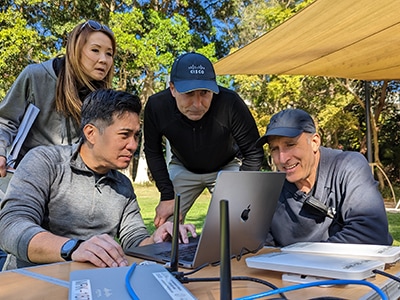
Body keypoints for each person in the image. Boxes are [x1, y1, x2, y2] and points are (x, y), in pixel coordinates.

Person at [0, 89, 196, 270]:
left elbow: (134, 240)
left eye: (136, 136)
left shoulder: (123, 186)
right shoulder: (45, 162)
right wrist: (73, 248)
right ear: (91, 133)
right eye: (124, 135)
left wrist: (157, 239)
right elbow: (10, 226)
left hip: (93, 286)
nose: (133, 145)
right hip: (32, 282)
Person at [0, 19, 116, 271]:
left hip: (67, 192)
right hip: (25, 180)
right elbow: (5, 119)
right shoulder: (35, 76)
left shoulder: (100, 96)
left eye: (109, 53)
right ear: (76, 50)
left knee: (65, 257)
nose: (104, 60)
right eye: (95, 50)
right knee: (16, 247)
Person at [144, 52, 264, 227]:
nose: (197, 104)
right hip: (183, 168)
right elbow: (153, 151)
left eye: (204, 93)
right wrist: (167, 195)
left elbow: (253, 152)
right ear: (173, 89)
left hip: (226, 167)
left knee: (239, 224)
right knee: (166, 226)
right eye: (189, 94)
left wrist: (240, 195)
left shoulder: (230, 103)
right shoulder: (157, 106)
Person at [255, 108, 393, 246]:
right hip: (291, 267)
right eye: (274, 149)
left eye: (290, 145)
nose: (282, 158)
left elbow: (371, 233)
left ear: (315, 142)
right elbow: (260, 248)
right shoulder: (271, 190)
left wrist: (301, 258)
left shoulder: (348, 166)